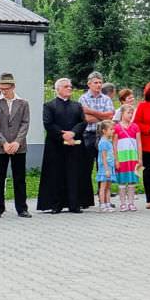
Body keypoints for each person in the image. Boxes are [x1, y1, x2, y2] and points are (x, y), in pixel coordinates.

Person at [38, 78, 91, 214]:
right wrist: (63, 135)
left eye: (70, 86)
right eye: (66, 86)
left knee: (74, 173)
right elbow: (48, 123)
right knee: (56, 174)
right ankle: (56, 204)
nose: (70, 88)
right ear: (58, 89)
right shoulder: (49, 105)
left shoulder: (77, 106)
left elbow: (83, 122)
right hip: (56, 146)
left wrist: (73, 133)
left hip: (74, 145)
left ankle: (75, 203)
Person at [0, 73, 31, 218]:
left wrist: (17, 141)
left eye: (6, 88)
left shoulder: (23, 103)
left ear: (13, 87)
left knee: (19, 178)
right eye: (2, 88)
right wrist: (4, 143)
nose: (4, 91)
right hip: (1, 146)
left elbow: (25, 123)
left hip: (19, 146)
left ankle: (22, 208)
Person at [79, 72, 114, 198]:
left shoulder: (106, 99)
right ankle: (85, 198)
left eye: (100, 82)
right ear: (89, 84)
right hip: (88, 135)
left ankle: (103, 197)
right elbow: (86, 118)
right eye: (96, 82)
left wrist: (92, 112)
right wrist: (101, 116)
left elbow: (110, 117)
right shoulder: (83, 98)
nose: (98, 85)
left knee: (104, 166)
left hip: (103, 137)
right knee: (86, 167)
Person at [113, 104, 142, 211]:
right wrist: (116, 159)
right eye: (128, 113)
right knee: (121, 181)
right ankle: (122, 203)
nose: (130, 115)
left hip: (133, 158)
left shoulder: (135, 127)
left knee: (132, 181)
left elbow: (139, 143)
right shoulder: (116, 127)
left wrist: (140, 159)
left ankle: (131, 203)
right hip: (122, 158)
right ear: (122, 114)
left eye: (131, 113)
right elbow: (114, 145)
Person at [96, 120, 116, 212]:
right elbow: (103, 157)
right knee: (103, 187)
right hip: (105, 168)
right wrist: (107, 169)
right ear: (104, 131)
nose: (113, 131)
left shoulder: (108, 141)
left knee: (108, 187)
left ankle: (108, 204)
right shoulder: (103, 142)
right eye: (111, 129)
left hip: (110, 166)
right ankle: (102, 204)